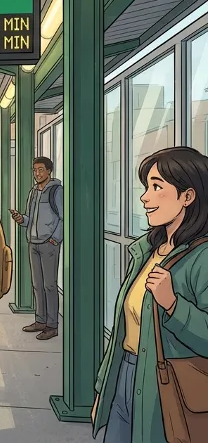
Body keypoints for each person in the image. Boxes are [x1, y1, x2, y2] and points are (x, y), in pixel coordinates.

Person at [92, 146, 208, 443]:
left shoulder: (203, 258)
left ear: (188, 196)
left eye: (157, 187)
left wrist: (172, 304)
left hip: (168, 385)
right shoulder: (147, 251)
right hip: (126, 375)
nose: (145, 197)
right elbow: (122, 330)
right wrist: (102, 391)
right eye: (146, 187)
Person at [10, 157, 64, 340]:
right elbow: (30, 219)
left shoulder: (56, 191)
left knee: (49, 285)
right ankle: (40, 320)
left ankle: (52, 325)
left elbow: (64, 218)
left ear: (49, 171)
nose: (37, 173)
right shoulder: (34, 192)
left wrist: (55, 239)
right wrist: (21, 219)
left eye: (40, 170)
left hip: (48, 244)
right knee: (37, 285)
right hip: (33, 242)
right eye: (34, 170)